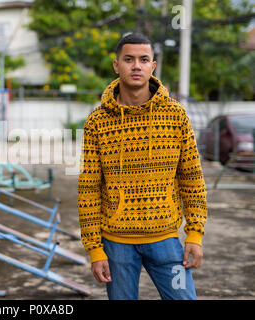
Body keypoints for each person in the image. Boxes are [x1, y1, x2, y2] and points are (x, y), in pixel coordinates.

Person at [77, 33, 207, 300]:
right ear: (116, 65)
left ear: (152, 66)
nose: (136, 66)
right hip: (116, 245)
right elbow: (88, 188)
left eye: (143, 59)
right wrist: (95, 249)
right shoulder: (97, 121)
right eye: (129, 59)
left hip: (166, 241)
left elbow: (192, 178)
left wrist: (194, 234)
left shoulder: (175, 115)